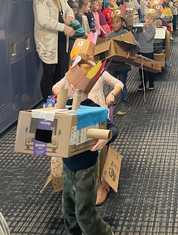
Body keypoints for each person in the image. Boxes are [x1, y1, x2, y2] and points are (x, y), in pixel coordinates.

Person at [52, 56, 118, 234]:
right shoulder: (64, 107)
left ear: (72, 87)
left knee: (83, 213)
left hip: (86, 168)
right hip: (68, 165)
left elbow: (112, 128)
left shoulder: (94, 109)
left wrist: (106, 137)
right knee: (68, 210)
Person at [33, 0, 75, 103]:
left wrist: (69, 16)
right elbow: (43, 20)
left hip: (61, 40)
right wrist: (64, 27)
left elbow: (68, 8)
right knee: (49, 72)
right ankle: (47, 102)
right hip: (48, 41)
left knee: (59, 71)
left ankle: (58, 101)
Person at [105, 9, 140, 117]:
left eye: (117, 21)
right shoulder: (110, 35)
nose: (114, 24)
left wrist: (130, 51)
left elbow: (137, 46)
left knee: (122, 84)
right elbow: (105, 48)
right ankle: (112, 106)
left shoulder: (127, 34)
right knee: (111, 86)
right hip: (112, 65)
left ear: (123, 23)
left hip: (123, 65)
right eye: (113, 22)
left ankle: (125, 103)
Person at [137, 10, 157, 91]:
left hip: (149, 51)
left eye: (151, 19)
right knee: (141, 68)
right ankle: (143, 82)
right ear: (144, 18)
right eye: (147, 18)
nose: (148, 20)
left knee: (149, 68)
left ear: (153, 21)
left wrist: (144, 30)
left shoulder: (152, 29)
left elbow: (148, 38)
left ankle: (151, 83)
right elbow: (135, 37)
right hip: (141, 50)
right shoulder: (140, 27)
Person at [66, 0, 86, 72]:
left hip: (80, 42)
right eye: (73, 10)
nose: (75, 12)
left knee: (80, 58)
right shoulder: (68, 20)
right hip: (74, 42)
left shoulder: (73, 18)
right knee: (73, 59)